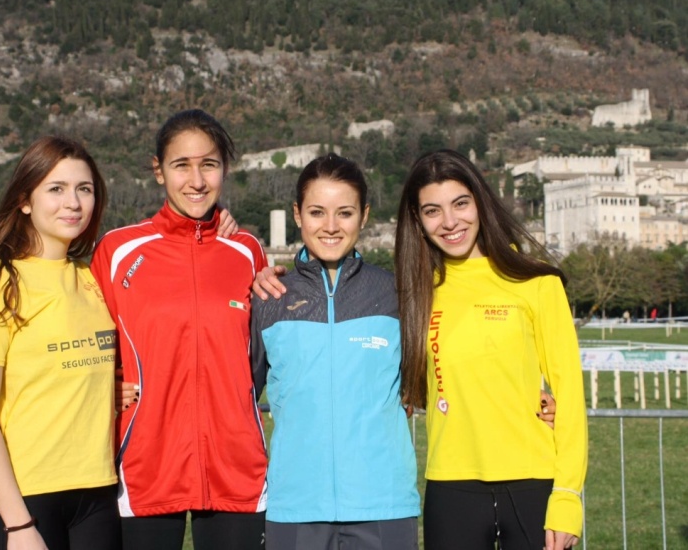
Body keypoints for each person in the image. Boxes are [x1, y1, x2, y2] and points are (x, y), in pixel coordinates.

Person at [91, 109, 268, 550]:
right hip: (145, 469)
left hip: (236, 471)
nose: (197, 180)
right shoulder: (117, 250)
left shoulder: (246, 250)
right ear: (158, 171)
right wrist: (100, 386)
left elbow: (260, 353)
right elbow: (89, 343)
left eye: (209, 164)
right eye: (181, 165)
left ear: (224, 169)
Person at [395, 149, 587, 550]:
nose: (450, 222)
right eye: (432, 211)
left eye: (460, 203)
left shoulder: (538, 283)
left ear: (480, 202)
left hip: (533, 483)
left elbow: (570, 395)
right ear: (417, 218)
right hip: (451, 487)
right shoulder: (415, 292)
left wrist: (568, 496)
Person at [0, 136, 121, 550]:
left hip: (99, 494)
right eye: (56, 189)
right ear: (25, 201)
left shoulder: (93, 279)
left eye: (84, 189)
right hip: (24, 500)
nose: (73, 202)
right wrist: (18, 525)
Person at [251, 153, 420, 550]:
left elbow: (435, 378)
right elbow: (240, 396)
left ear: (364, 215)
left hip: (385, 506)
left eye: (344, 213)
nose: (330, 226)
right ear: (297, 214)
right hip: (295, 508)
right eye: (317, 212)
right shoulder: (269, 297)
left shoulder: (395, 294)